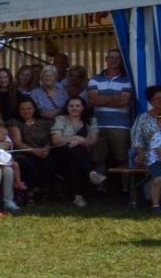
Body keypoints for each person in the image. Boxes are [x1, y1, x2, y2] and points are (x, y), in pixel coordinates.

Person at [88, 47, 134, 177]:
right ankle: (100, 187)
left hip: (120, 126)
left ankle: (126, 189)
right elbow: (92, 99)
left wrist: (101, 98)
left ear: (121, 61)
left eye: (117, 58)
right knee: (98, 159)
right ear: (106, 59)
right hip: (98, 125)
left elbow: (123, 102)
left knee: (123, 158)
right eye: (111, 57)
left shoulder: (127, 80)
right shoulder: (95, 79)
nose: (114, 60)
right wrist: (114, 97)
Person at [50, 95, 104, 208]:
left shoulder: (90, 121)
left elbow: (92, 141)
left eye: (77, 106)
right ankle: (92, 173)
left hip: (82, 155)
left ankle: (78, 197)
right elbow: (56, 140)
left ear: (83, 107)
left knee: (74, 161)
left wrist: (82, 141)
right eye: (71, 106)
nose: (74, 108)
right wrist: (74, 139)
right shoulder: (61, 119)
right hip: (61, 153)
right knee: (74, 150)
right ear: (67, 108)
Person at [8, 96, 55, 203]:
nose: (26, 111)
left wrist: (46, 149)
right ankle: (28, 192)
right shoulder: (14, 123)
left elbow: (50, 139)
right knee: (29, 165)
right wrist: (34, 151)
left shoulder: (43, 122)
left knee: (48, 164)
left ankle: (44, 191)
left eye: (29, 108)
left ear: (34, 109)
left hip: (43, 152)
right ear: (18, 110)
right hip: (24, 153)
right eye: (23, 109)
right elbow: (18, 143)